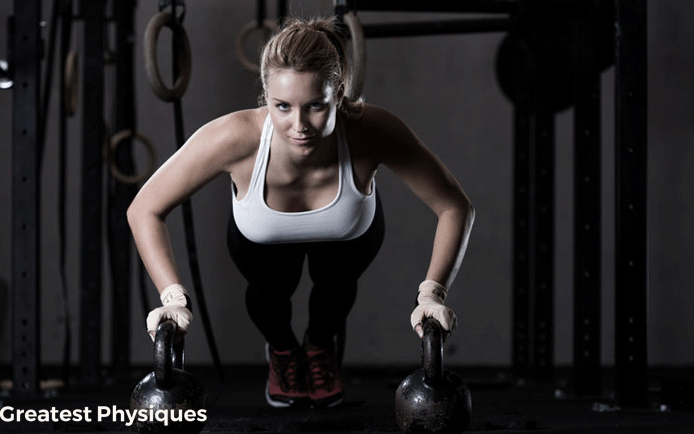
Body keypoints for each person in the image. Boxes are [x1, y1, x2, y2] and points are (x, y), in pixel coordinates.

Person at [127, 16, 475, 409]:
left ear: (339, 94)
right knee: (268, 292)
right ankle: (282, 350)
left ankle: (320, 347)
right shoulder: (234, 137)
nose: (299, 125)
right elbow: (144, 209)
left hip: (347, 239)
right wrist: (173, 297)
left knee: (336, 288)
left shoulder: (370, 130)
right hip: (261, 243)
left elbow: (454, 205)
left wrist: (432, 293)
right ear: (265, 95)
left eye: (315, 106)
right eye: (282, 106)